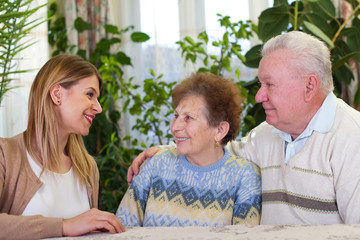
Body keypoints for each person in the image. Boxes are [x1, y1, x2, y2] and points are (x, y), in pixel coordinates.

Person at [127, 31, 360, 225]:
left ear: (309, 86)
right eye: (261, 84)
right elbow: (216, 149)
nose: (259, 96)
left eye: (269, 84)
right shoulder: (265, 134)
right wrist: (167, 149)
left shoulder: (351, 138)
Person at [0, 54, 125, 239]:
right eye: (90, 94)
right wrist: (64, 226)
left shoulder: (87, 168)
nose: (98, 108)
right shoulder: (6, 155)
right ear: (57, 94)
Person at [116, 73, 261, 227]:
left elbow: (245, 236)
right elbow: (122, 229)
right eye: (176, 116)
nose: (175, 127)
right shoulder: (155, 163)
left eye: (188, 118)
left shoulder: (244, 176)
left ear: (219, 130)